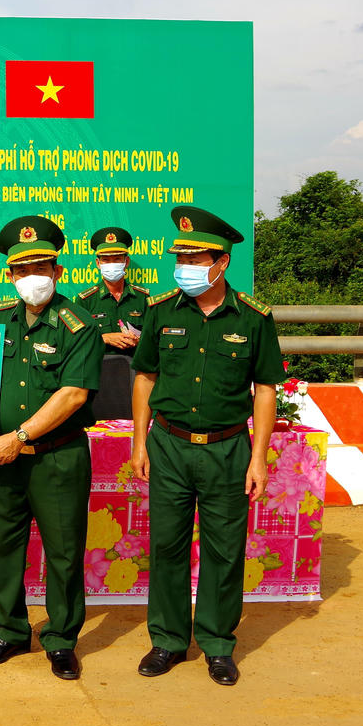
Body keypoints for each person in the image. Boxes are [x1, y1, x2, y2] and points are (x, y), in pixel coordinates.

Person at [130, 205, 284, 686]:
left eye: (195, 260)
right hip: (169, 446)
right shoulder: (161, 311)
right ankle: (168, 641)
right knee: (167, 545)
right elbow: (145, 377)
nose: (185, 267)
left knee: (224, 550)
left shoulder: (254, 318)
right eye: (181, 258)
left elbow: (265, 389)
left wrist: (258, 458)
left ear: (222, 263)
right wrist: (139, 444)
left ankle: (217, 643)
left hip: (227, 449)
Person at [0, 215, 101, 681]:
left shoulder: (78, 325)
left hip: (56, 458)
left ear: (58, 271)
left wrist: (21, 436)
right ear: (10, 275)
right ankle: (9, 631)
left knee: (63, 553)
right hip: (1, 460)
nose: (32, 278)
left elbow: (73, 395)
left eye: (41, 268)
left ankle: (61, 639)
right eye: (22, 270)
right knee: (5, 548)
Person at [77, 225, 150, 356]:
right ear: (98, 263)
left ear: (126, 262)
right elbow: (76, 341)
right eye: (106, 260)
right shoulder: (86, 300)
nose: (112, 264)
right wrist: (105, 338)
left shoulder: (142, 297)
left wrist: (139, 340)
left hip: (133, 364)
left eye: (117, 259)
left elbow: (153, 337)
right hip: (99, 366)